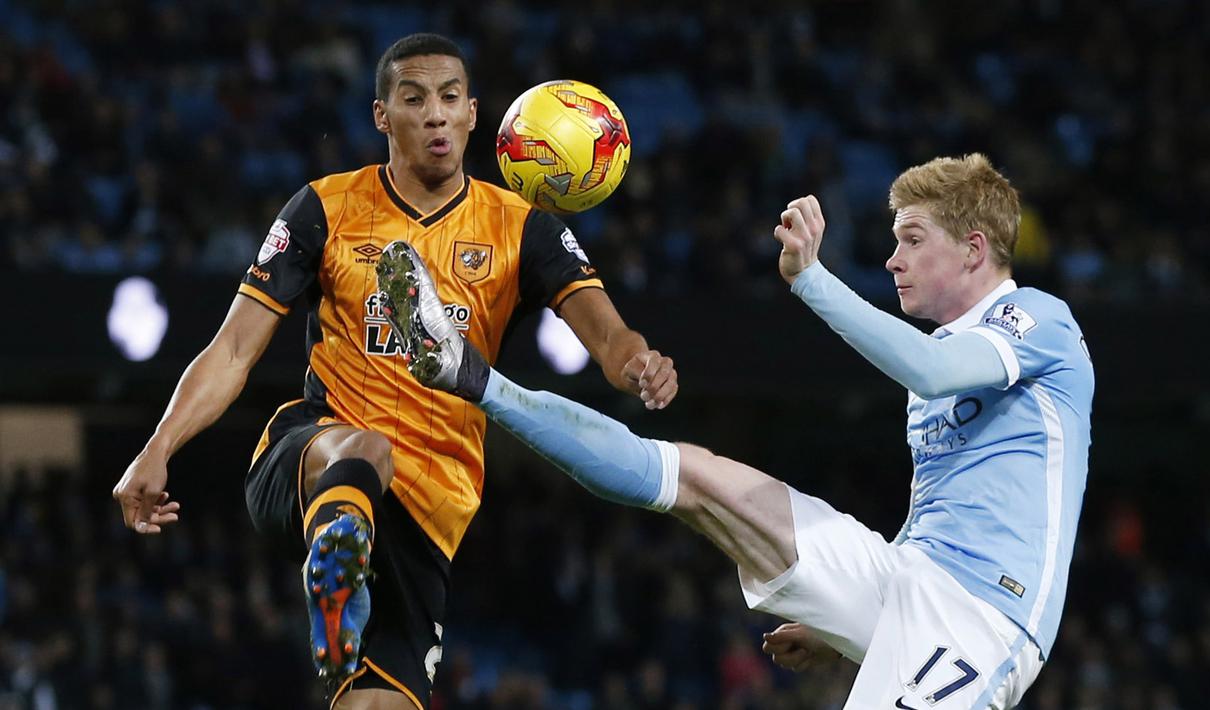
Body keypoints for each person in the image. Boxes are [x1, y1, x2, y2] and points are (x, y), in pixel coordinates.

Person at [389, 154, 1093, 708]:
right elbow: (940, 512)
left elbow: (933, 371)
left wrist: (812, 280)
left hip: (980, 619)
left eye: (911, 240)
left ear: (973, 250)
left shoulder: (1038, 320)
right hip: (908, 574)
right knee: (694, 479)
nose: (891, 259)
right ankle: (473, 376)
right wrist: (840, 623)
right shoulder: (944, 359)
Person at [110, 32, 678, 710]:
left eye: (448, 99)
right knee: (366, 448)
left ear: (473, 114)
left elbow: (608, 333)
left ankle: (344, 595)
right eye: (414, 100)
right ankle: (339, 565)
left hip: (432, 508)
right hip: (317, 454)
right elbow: (233, 348)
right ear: (382, 116)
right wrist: (157, 447)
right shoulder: (324, 207)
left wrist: (640, 363)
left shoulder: (521, 228)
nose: (434, 115)